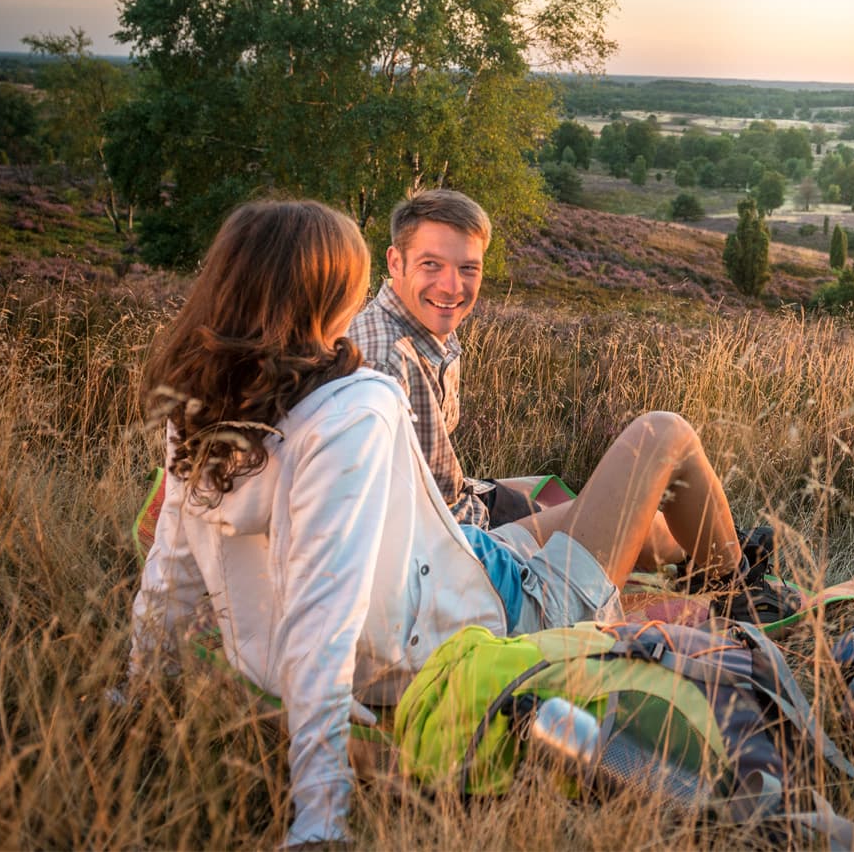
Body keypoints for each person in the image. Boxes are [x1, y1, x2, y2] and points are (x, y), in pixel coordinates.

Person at [129, 199, 742, 845]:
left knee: (630, 526)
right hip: (498, 612)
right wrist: (321, 814)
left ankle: (700, 559)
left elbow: (169, 564)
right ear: (333, 291)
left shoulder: (203, 408)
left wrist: (137, 693)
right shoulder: (354, 409)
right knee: (663, 433)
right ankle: (739, 586)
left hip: (456, 563)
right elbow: (324, 614)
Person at [348, 188, 690, 568]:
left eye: (467, 269)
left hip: (459, 506)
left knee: (561, 495)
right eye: (431, 264)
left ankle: (722, 549)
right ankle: (724, 570)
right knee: (632, 524)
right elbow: (420, 517)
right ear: (395, 262)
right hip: (458, 545)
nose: (451, 286)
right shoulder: (389, 361)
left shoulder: (419, 324)